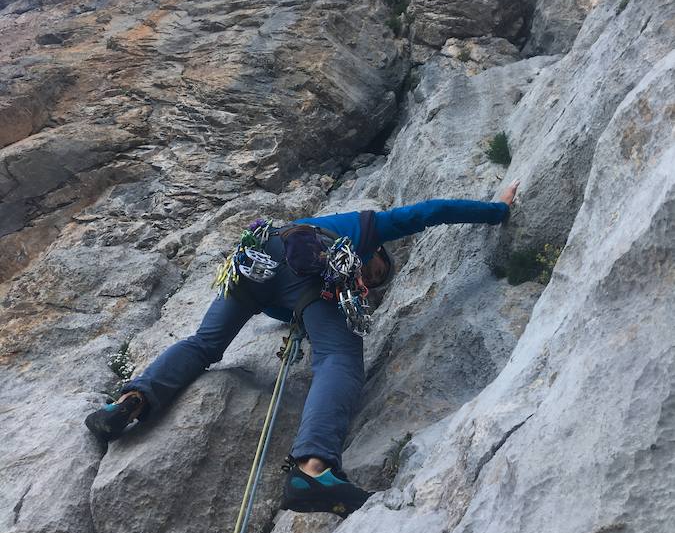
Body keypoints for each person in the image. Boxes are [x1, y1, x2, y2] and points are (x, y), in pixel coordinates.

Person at [86, 181, 520, 515]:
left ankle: (128, 402)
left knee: (203, 344)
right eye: (375, 273)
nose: (367, 285)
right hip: (307, 266)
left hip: (253, 260)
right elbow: (432, 212)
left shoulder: (319, 238)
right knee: (340, 359)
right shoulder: (366, 228)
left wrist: (306, 316)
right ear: (376, 254)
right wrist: (497, 208)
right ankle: (313, 471)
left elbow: (289, 304)